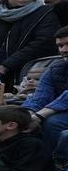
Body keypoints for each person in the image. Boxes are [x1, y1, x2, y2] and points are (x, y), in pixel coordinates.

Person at [22, 26, 68, 158]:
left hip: (59, 113)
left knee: (53, 122)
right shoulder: (56, 67)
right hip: (60, 110)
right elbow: (41, 95)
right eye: (60, 45)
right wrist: (28, 115)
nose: (64, 50)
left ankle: (56, 163)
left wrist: (40, 115)